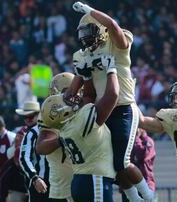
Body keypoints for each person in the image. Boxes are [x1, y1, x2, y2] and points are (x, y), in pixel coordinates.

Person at [66, 2, 155, 201]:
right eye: (83, 34)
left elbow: (114, 26)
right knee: (109, 163)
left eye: (90, 31)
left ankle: (149, 198)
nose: (86, 38)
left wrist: (90, 11)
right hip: (101, 110)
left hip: (123, 106)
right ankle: (135, 198)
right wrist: (67, 96)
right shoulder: (81, 55)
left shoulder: (116, 41)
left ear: (101, 30)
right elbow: (75, 85)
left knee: (121, 161)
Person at [40, 57, 118, 202]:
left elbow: (89, 96)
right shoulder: (81, 120)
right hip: (95, 180)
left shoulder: (65, 127)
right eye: (66, 99)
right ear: (63, 110)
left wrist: (86, 76)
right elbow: (112, 96)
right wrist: (111, 70)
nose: (72, 97)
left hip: (80, 181)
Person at [36, 72, 74, 202]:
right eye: (68, 91)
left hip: (85, 179)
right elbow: (41, 147)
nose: (75, 94)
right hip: (62, 188)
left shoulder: (84, 107)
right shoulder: (53, 111)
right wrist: (64, 140)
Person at [18, 101, 50, 202]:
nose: (27, 120)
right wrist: (35, 178)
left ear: (39, 114)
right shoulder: (31, 133)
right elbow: (24, 158)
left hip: (60, 182)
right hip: (41, 182)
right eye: (25, 117)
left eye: (31, 116)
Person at [121, 128, 156, 202]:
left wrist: (135, 138)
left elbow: (142, 156)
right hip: (129, 185)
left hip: (146, 184)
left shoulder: (149, 141)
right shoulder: (127, 140)